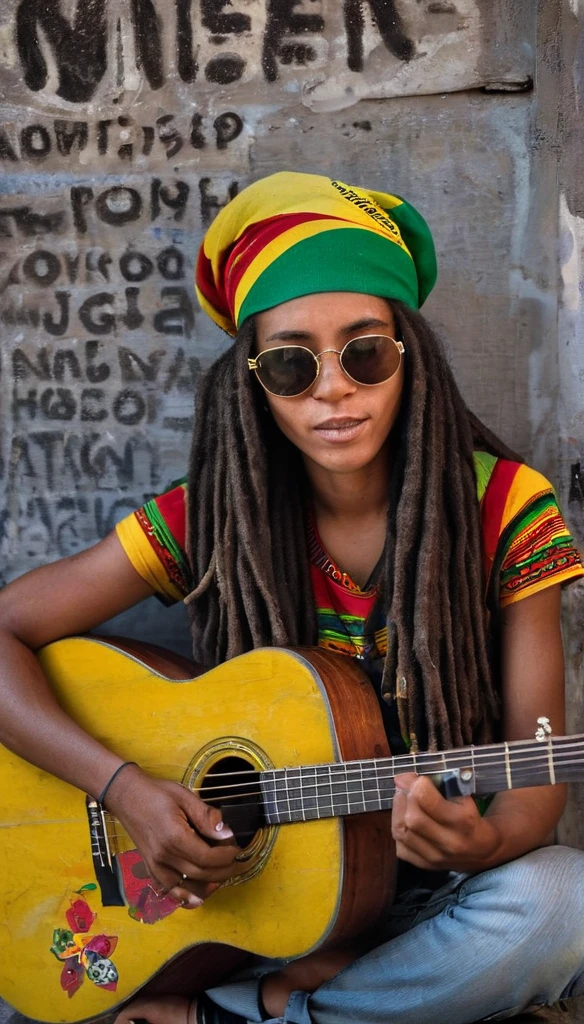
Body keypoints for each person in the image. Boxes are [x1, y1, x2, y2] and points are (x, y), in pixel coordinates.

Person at [0, 171, 583, 1024]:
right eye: (289, 363)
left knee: (561, 900)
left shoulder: (503, 506)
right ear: (252, 383)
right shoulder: (216, 515)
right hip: (253, 901)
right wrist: (123, 789)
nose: (333, 388)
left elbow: (536, 759)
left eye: (365, 352)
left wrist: (490, 839)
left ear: (407, 358)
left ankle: (243, 1016)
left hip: (429, 905)